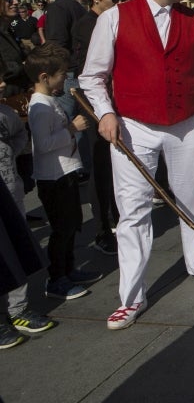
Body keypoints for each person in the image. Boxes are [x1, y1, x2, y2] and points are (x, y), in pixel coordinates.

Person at [80, 0, 194, 330]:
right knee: (132, 211)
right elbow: (92, 77)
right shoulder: (115, 18)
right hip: (134, 126)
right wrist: (106, 113)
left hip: (184, 123)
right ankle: (131, 297)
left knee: (193, 196)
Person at [25, 43, 102, 300]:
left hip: (65, 173)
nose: (65, 80)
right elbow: (43, 144)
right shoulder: (40, 107)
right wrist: (71, 128)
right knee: (62, 229)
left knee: (71, 226)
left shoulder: (49, 101)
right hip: (53, 178)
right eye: (61, 75)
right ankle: (57, 278)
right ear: (44, 77)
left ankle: (68, 270)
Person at [72, 0, 124, 256]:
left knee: (116, 166)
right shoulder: (87, 25)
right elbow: (88, 72)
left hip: (115, 101)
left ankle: (118, 219)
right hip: (95, 105)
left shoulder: (111, 20)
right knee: (101, 168)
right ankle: (103, 229)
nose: (117, 3)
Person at [0, 92, 55, 346]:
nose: (2, 83)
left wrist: (11, 149)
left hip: (10, 194)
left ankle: (18, 310)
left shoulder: (6, 113)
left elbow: (21, 135)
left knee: (15, 254)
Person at [43, 0, 87, 120]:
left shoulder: (56, 8)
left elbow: (57, 45)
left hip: (65, 75)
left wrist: (54, 77)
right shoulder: (80, 8)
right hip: (79, 72)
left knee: (65, 123)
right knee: (81, 124)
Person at [0, 0, 29, 97]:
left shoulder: (9, 30)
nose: (16, 2)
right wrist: (24, 65)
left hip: (17, 98)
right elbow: (6, 69)